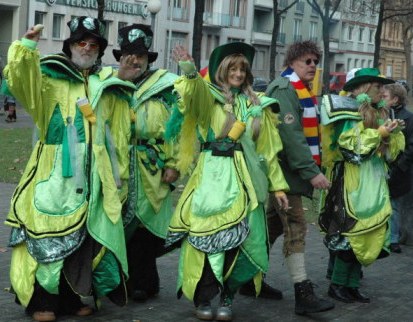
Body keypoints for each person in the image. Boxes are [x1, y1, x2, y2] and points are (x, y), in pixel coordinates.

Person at [2, 17, 136, 322]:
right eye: (80, 42)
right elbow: (20, 81)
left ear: (100, 50)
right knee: (47, 236)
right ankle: (42, 302)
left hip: (94, 176)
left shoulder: (108, 85)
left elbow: (117, 134)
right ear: (70, 46)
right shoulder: (49, 78)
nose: (86, 48)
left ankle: (73, 297)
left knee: (84, 239)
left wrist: (118, 177)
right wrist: (25, 46)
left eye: (93, 44)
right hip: (54, 176)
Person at [166, 42, 289, 321]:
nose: (237, 73)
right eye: (232, 68)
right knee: (204, 238)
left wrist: (278, 186)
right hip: (211, 178)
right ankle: (202, 298)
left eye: (242, 69)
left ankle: (228, 297)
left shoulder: (258, 105)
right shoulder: (208, 98)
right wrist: (189, 69)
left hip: (246, 182)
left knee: (242, 240)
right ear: (222, 71)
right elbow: (192, 92)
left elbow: (268, 151)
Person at [240, 40, 334, 315]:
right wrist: (311, 173)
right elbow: (291, 138)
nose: (313, 66)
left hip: (287, 175)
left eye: (316, 62)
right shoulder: (285, 89)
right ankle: (303, 293)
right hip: (284, 177)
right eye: (307, 61)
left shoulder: (300, 89)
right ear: (292, 62)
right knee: (296, 227)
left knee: (270, 228)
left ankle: (245, 277)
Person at [319, 68, 404, 303]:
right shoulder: (348, 111)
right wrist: (379, 133)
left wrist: (391, 135)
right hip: (353, 181)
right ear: (365, 87)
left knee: (368, 234)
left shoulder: (381, 113)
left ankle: (352, 285)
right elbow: (349, 146)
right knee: (351, 235)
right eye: (378, 87)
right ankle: (337, 285)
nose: (382, 91)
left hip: (375, 180)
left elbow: (392, 154)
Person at [113, 24, 180, 302]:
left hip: (152, 167)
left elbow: (177, 128)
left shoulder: (166, 87)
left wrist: (175, 163)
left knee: (146, 226)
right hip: (118, 166)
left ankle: (144, 281)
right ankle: (120, 281)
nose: (134, 60)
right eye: (128, 54)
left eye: (139, 54)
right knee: (118, 224)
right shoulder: (111, 83)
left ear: (148, 57)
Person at [383, 83, 413, 253]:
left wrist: (398, 166)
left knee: (394, 205)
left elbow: (411, 147)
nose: (381, 100)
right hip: (381, 167)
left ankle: (393, 238)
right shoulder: (381, 115)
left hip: (398, 170)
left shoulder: (409, 118)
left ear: (395, 99)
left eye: (385, 97)